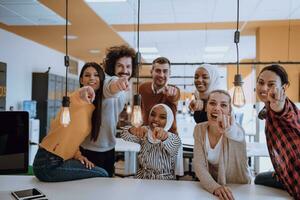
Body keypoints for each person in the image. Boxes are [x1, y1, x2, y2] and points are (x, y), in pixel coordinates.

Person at [33, 62, 108, 182]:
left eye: (96, 75)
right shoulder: (75, 99)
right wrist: (84, 91)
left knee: (101, 172)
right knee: (103, 174)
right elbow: (79, 95)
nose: (92, 78)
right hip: (47, 162)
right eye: (87, 75)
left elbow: (72, 137)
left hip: (58, 160)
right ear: (81, 80)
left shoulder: (91, 108)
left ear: (101, 79)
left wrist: (79, 156)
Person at [80, 45, 136, 177]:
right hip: (90, 150)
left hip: (109, 148)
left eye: (128, 66)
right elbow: (111, 87)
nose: (125, 70)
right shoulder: (107, 81)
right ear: (112, 67)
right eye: (120, 66)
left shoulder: (125, 90)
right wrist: (118, 83)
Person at [193, 90, 251, 200]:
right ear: (206, 107)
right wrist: (215, 188)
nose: (217, 108)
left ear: (229, 111)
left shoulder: (236, 129)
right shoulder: (199, 129)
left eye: (223, 105)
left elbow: (237, 134)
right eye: (212, 103)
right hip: (213, 188)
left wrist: (228, 129)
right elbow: (199, 165)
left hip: (240, 190)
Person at [254, 64, 300, 199]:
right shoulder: (268, 109)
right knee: (259, 179)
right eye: (261, 82)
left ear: (283, 88)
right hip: (286, 171)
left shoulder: (283, 106)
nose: (263, 88)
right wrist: (280, 168)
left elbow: (283, 111)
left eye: (271, 85)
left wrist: (277, 106)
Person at [121, 104, 181, 180]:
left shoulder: (173, 137)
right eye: (152, 115)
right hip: (142, 179)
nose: (155, 119)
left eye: (162, 117)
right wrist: (133, 130)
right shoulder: (145, 133)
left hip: (164, 183)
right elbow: (124, 135)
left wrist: (164, 137)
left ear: (169, 120)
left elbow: (174, 146)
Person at [139, 57, 180, 133]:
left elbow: (175, 96)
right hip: (147, 137)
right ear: (151, 72)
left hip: (168, 138)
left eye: (165, 71)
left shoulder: (174, 90)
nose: (161, 75)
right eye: (158, 71)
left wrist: (172, 94)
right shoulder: (143, 88)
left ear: (169, 73)